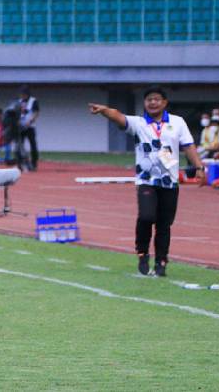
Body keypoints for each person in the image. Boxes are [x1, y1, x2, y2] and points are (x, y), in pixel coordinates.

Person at [88, 86, 205, 277]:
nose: (153, 102)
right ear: (144, 103)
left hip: (169, 182)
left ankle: (161, 261)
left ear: (165, 102)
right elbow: (118, 116)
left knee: (164, 224)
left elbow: (188, 146)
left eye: (157, 99)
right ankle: (142, 253)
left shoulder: (177, 122)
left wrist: (199, 167)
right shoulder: (139, 123)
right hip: (146, 180)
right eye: (149, 99)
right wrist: (104, 111)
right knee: (146, 216)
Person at [16, 85, 40, 171]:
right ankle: (20, 163)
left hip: (30, 126)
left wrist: (30, 121)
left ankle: (34, 163)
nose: (22, 96)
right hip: (21, 127)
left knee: (33, 145)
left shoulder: (33, 101)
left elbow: (36, 112)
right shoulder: (19, 101)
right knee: (19, 145)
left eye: (23, 94)